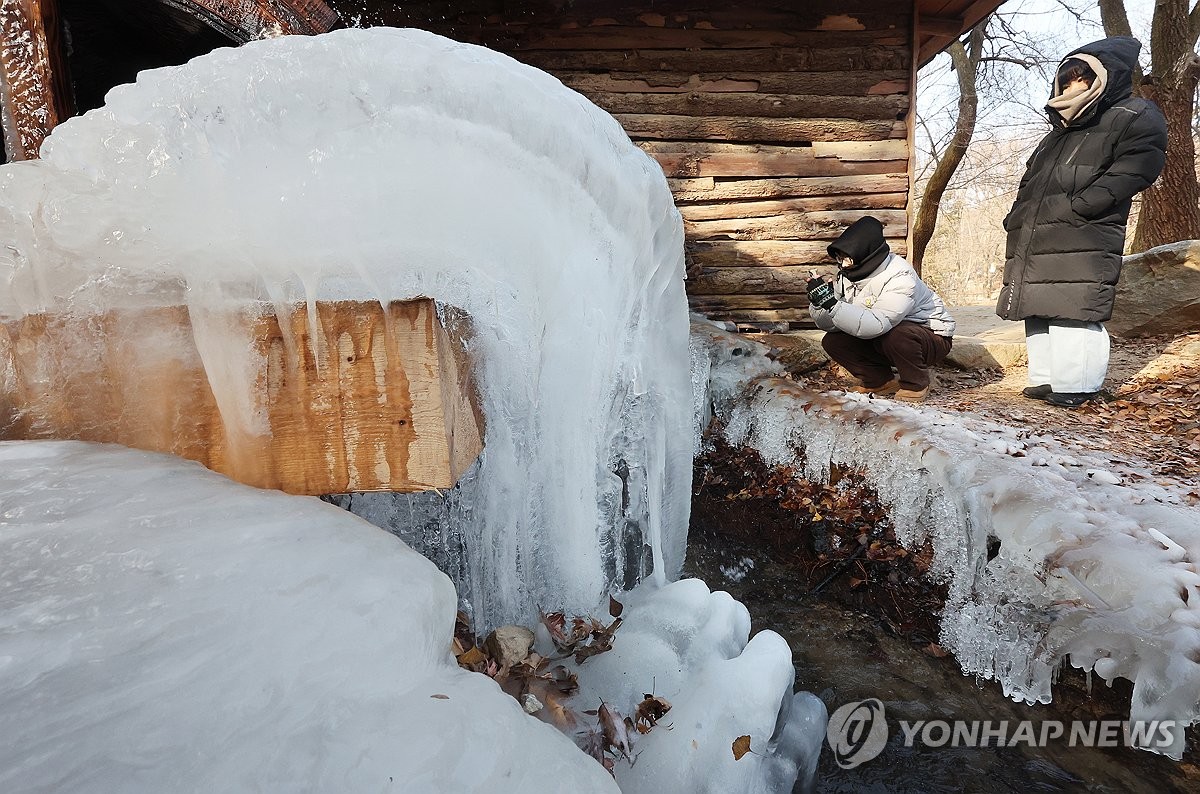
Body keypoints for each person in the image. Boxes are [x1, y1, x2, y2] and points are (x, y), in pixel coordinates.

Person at [997, 36, 1167, 408]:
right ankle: (1045, 379)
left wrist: (1083, 206)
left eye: (1083, 79)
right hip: (1037, 231)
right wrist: (1016, 217)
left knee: (1075, 307)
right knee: (1038, 306)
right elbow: (1029, 183)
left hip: (1084, 230)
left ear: (1106, 79)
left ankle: (1078, 384)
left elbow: (1140, 164)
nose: (1073, 87)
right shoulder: (1056, 135)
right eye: (1067, 80)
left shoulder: (1133, 113)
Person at [807, 215, 956, 402]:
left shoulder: (901, 276)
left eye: (847, 259)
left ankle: (915, 384)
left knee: (896, 336)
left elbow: (877, 324)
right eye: (839, 259)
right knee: (833, 341)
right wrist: (820, 303)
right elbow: (833, 324)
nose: (842, 265)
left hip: (932, 337)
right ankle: (879, 381)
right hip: (883, 332)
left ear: (866, 254)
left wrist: (832, 305)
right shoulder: (847, 276)